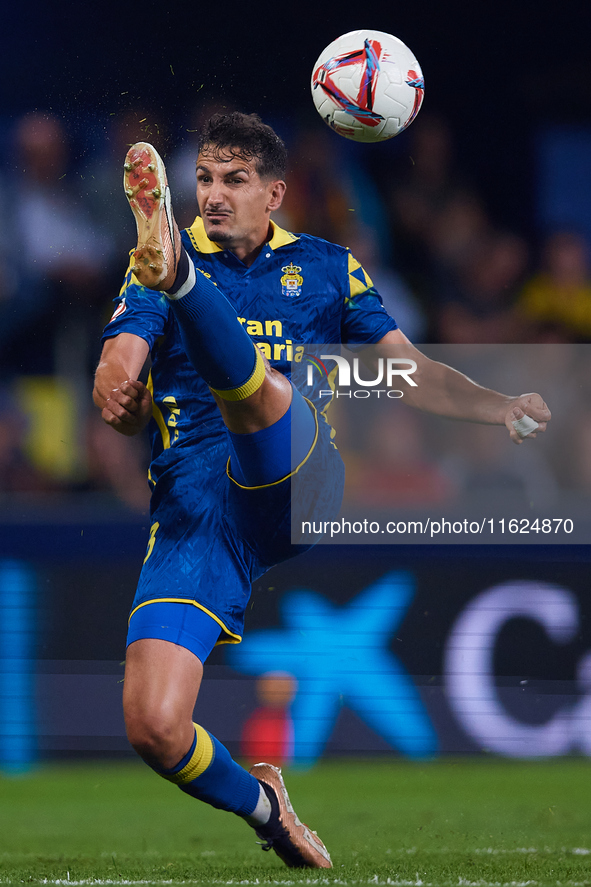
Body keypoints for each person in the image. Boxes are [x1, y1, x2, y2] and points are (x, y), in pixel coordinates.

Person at [93, 112, 550, 869]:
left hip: (293, 473)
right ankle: (266, 805)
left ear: (274, 193)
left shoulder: (327, 267)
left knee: (260, 390)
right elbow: (119, 364)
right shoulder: (140, 271)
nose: (212, 194)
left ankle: (188, 286)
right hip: (197, 512)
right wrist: (120, 394)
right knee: (154, 725)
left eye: (234, 180)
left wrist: (496, 403)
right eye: (203, 178)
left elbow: (409, 372)